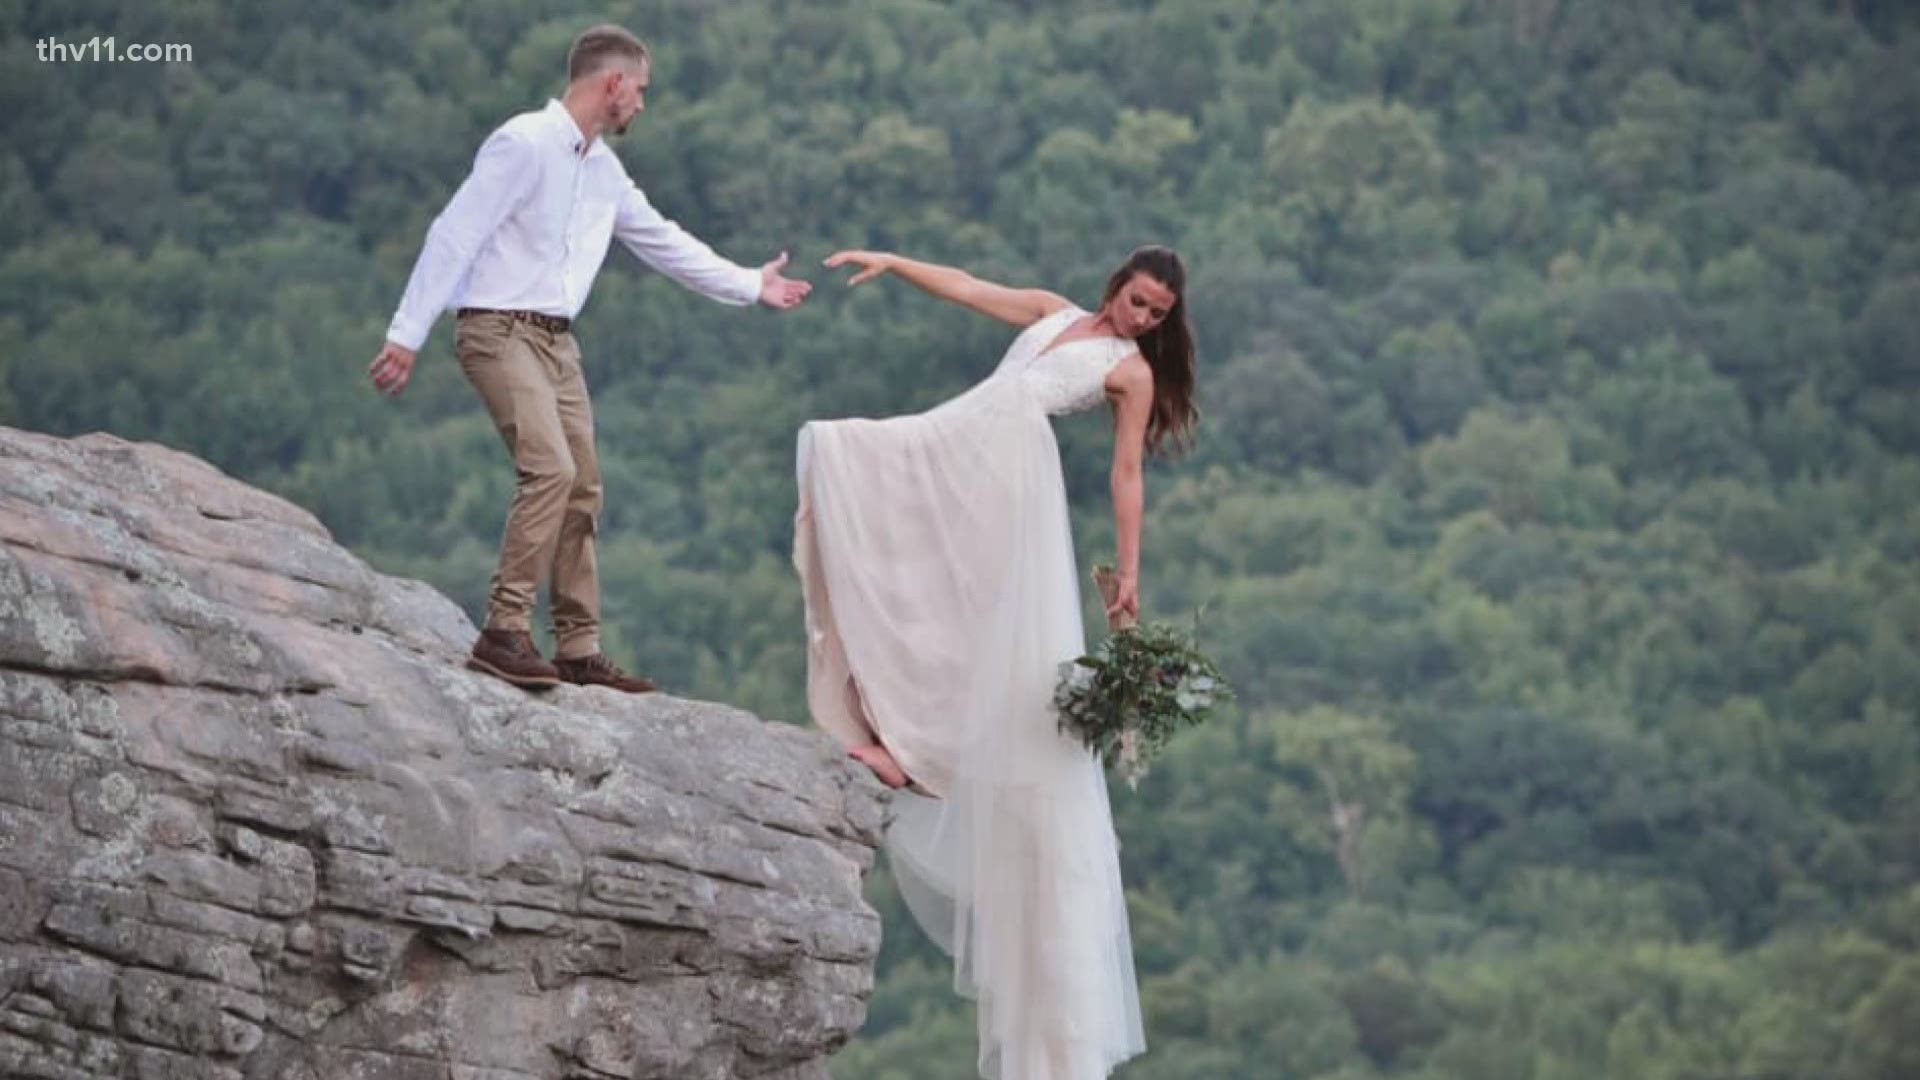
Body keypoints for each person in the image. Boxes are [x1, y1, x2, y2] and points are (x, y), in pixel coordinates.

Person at [793, 245, 1198, 1078]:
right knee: (845, 463)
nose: (1142, 318)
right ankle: (893, 729)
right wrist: (896, 264)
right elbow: (975, 289)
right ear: (1117, 283)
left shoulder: (1130, 372)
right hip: (964, 437)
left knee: (970, 615)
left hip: (1009, 475)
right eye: (1138, 300)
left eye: (1158, 313)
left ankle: (915, 752)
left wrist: (1130, 574)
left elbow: (1129, 474)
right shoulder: (1053, 309)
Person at [369, 24, 811, 692]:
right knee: (549, 469)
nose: (642, 104)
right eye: (641, 91)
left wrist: (751, 284)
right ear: (613, 83)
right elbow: (455, 232)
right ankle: (503, 631)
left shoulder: (603, 170)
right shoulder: (523, 143)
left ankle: (577, 648)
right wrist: (408, 333)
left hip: (556, 340)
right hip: (496, 329)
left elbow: (664, 240)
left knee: (583, 486)